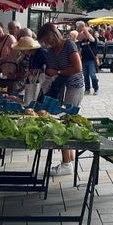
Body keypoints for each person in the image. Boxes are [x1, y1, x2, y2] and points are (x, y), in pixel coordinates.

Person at [37, 23, 85, 175]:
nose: (47, 43)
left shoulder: (69, 44)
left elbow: (78, 68)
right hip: (59, 87)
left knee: (65, 121)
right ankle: (68, 161)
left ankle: (66, 164)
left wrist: (57, 71)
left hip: (74, 86)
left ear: (53, 35)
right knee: (60, 120)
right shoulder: (50, 51)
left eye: (47, 40)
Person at [76, 22, 99, 96]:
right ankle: (87, 89)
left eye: (85, 33)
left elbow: (91, 39)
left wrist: (85, 30)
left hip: (91, 60)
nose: (83, 34)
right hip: (84, 60)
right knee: (85, 76)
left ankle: (96, 88)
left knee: (92, 75)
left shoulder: (93, 40)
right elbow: (78, 38)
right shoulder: (82, 41)